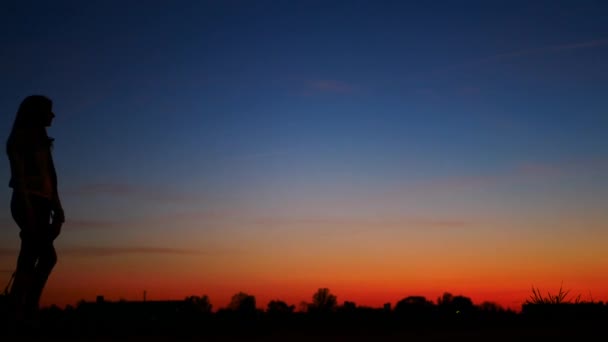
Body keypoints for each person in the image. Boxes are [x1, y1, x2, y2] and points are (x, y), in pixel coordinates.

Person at [6, 95, 65, 325]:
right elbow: (19, 179)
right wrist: (29, 211)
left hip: (43, 204)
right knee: (45, 256)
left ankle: (19, 309)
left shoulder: (42, 142)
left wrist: (57, 208)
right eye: (49, 111)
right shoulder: (18, 141)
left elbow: (51, 179)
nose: (53, 115)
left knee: (31, 257)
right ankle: (25, 308)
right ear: (36, 113)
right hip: (26, 202)